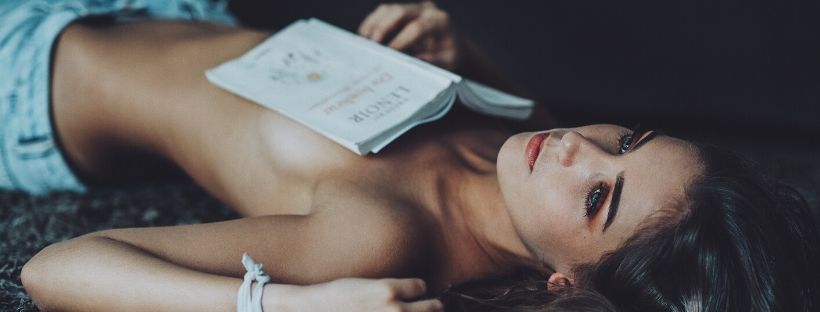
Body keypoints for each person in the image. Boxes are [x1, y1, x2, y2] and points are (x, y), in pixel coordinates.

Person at [4, 1, 817, 311]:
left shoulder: (386, 236)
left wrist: (289, 307)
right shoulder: (532, 153)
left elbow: (56, 269)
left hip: (31, 75)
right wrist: (454, 52)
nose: (578, 147)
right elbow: (557, 135)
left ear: (566, 283)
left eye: (600, 198)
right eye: (630, 140)